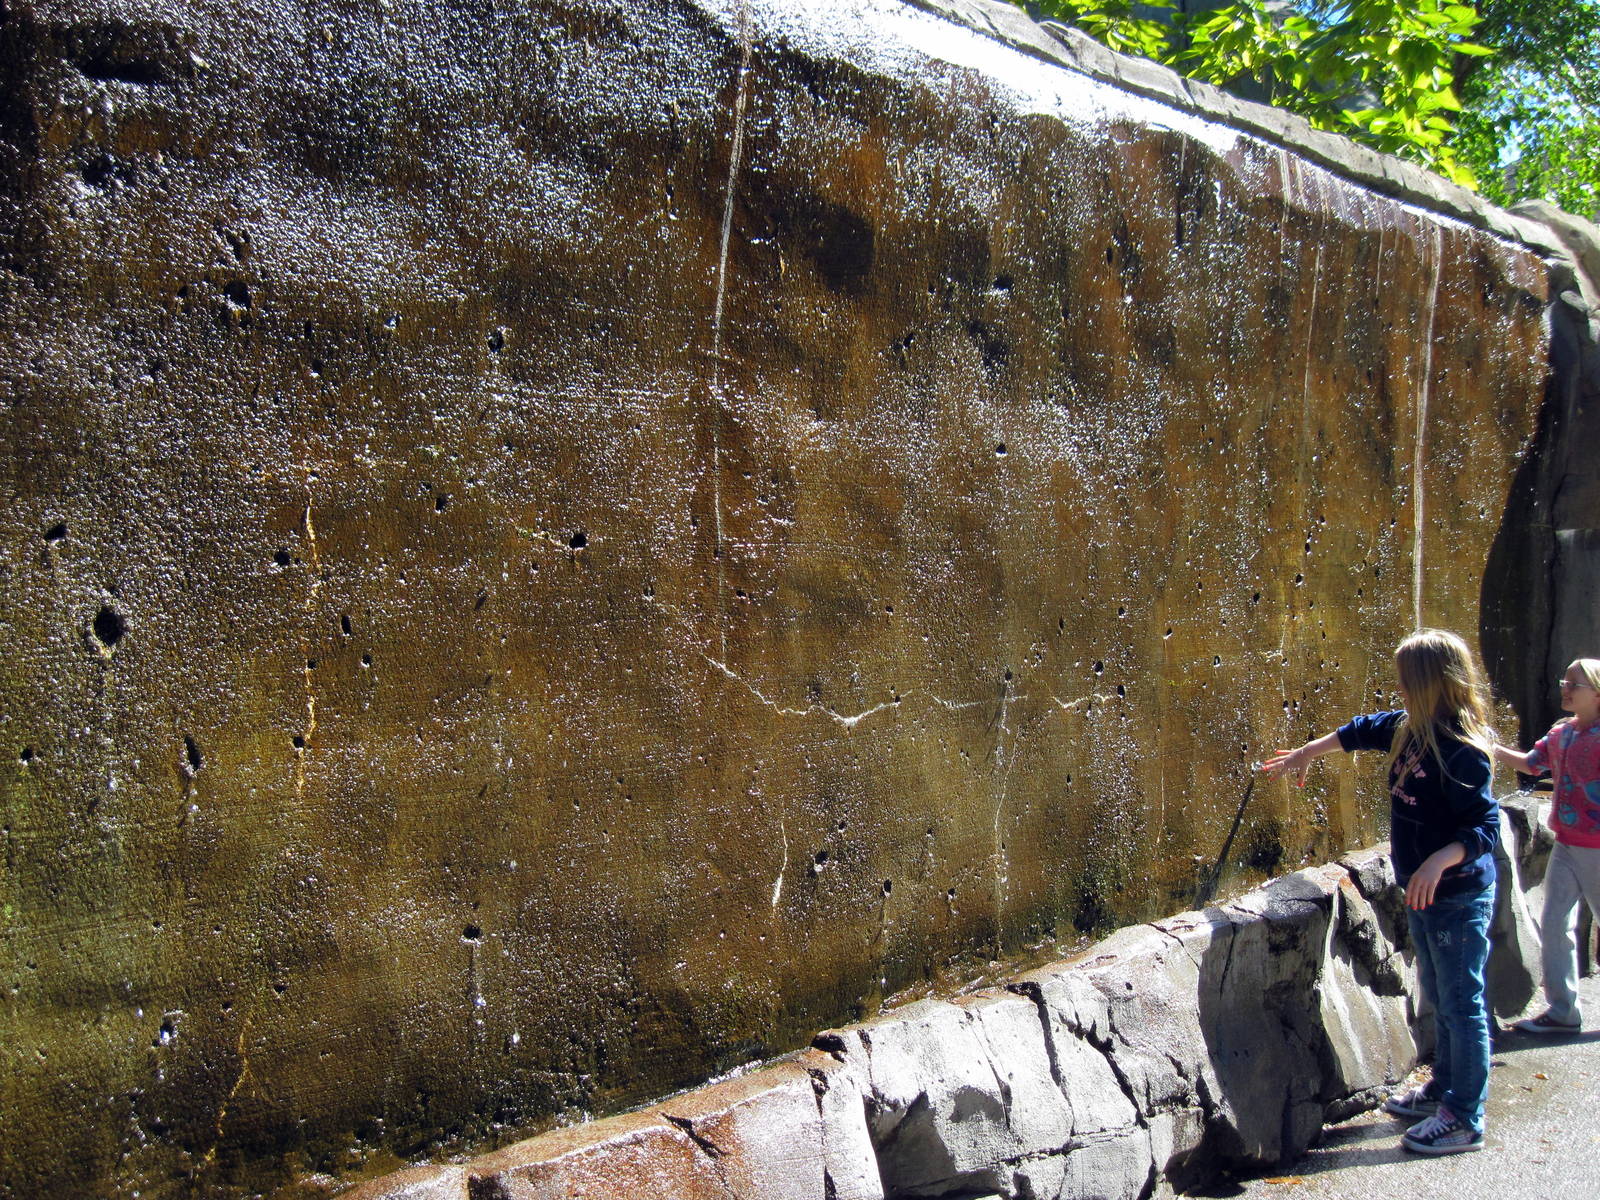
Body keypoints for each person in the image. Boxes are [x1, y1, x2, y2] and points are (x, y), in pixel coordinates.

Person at [1259, 628, 1499, 1156]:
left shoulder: (1463, 752)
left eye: (1408, 681)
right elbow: (1358, 731)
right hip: (1425, 896)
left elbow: (1485, 827)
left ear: (1435, 684)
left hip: (1458, 897)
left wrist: (1440, 858)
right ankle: (1443, 1089)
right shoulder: (1408, 730)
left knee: (1463, 1004)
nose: (1401, 690)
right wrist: (1305, 753)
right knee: (1439, 996)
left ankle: (1464, 1117)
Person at [1492, 658, 1600, 1035]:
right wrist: (1490, 746)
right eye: (1564, 681)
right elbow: (1530, 764)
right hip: (1567, 846)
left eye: (1575, 684)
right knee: (1554, 924)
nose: (1565, 689)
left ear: (1598, 692)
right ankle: (1562, 1011)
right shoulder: (1560, 735)